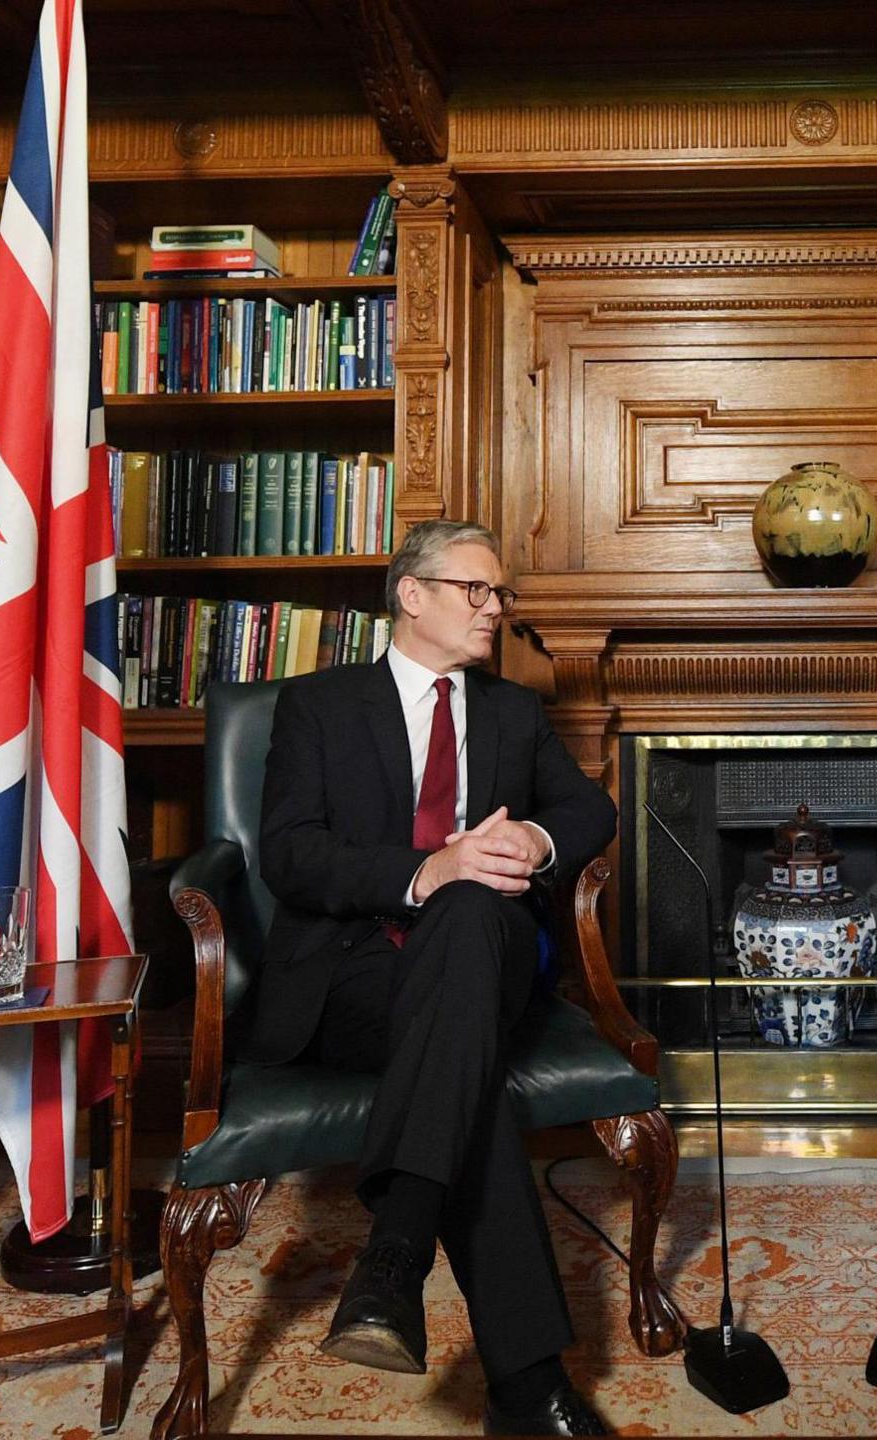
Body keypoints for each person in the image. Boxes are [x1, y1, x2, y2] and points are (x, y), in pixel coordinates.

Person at [251, 518, 618, 1436]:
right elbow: (289, 857)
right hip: (353, 971)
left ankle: (394, 1259)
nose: (495, 609)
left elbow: (588, 808)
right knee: (467, 1077)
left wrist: (531, 841)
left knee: (472, 912)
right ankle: (530, 1386)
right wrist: (427, 869)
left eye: (501, 594)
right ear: (411, 595)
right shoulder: (318, 706)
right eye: (475, 591)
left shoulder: (510, 713)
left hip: (487, 956)